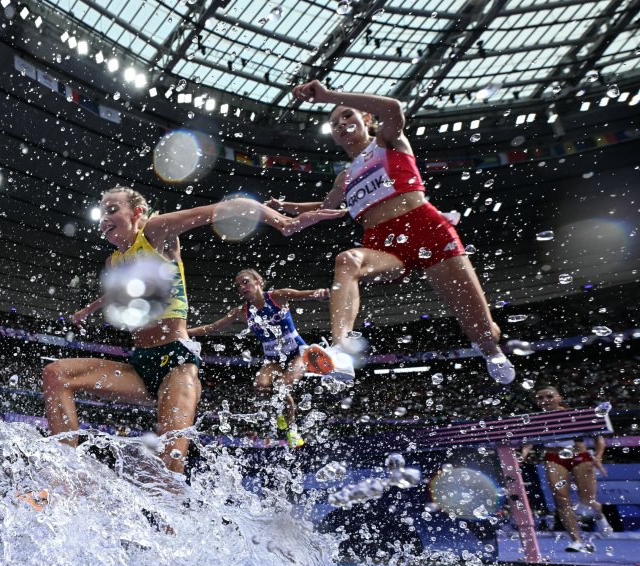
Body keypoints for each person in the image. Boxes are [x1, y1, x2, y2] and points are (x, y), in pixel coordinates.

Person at [43, 186, 343, 473]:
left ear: (137, 212)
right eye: (101, 213)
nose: (104, 218)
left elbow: (225, 209)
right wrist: (88, 310)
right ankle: (68, 474)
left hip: (177, 363)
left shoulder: (153, 231)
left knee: (166, 470)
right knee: (56, 374)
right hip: (140, 364)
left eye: (112, 209)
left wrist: (282, 222)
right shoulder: (114, 261)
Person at [268, 80, 515, 385]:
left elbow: (394, 108)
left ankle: (491, 351)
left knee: (481, 329)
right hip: (385, 246)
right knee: (347, 260)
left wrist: (329, 97)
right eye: (334, 123)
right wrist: (285, 206)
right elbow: (323, 206)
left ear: (366, 120)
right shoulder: (344, 178)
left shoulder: (387, 142)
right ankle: (341, 350)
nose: (341, 124)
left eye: (347, 116)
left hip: (428, 230)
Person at [188, 269, 329, 447]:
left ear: (258, 281)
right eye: (238, 285)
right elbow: (213, 327)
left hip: (298, 353)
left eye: (246, 282)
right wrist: (183, 332)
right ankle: (280, 412)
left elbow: (305, 295)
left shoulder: (277, 296)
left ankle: (292, 430)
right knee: (260, 386)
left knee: (282, 386)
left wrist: (320, 294)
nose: (242, 287)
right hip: (273, 359)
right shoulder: (241, 311)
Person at [521, 386, 611, 553]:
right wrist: (523, 454)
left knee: (587, 501)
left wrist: (598, 457)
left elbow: (599, 437)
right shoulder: (535, 419)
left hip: (579, 456)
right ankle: (576, 540)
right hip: (554, 458)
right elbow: (529, 440)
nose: (545, 400)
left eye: (549, 396)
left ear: (559, 398)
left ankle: (599, 515)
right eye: (540, 398)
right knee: (561, 501)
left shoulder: (575, 415)